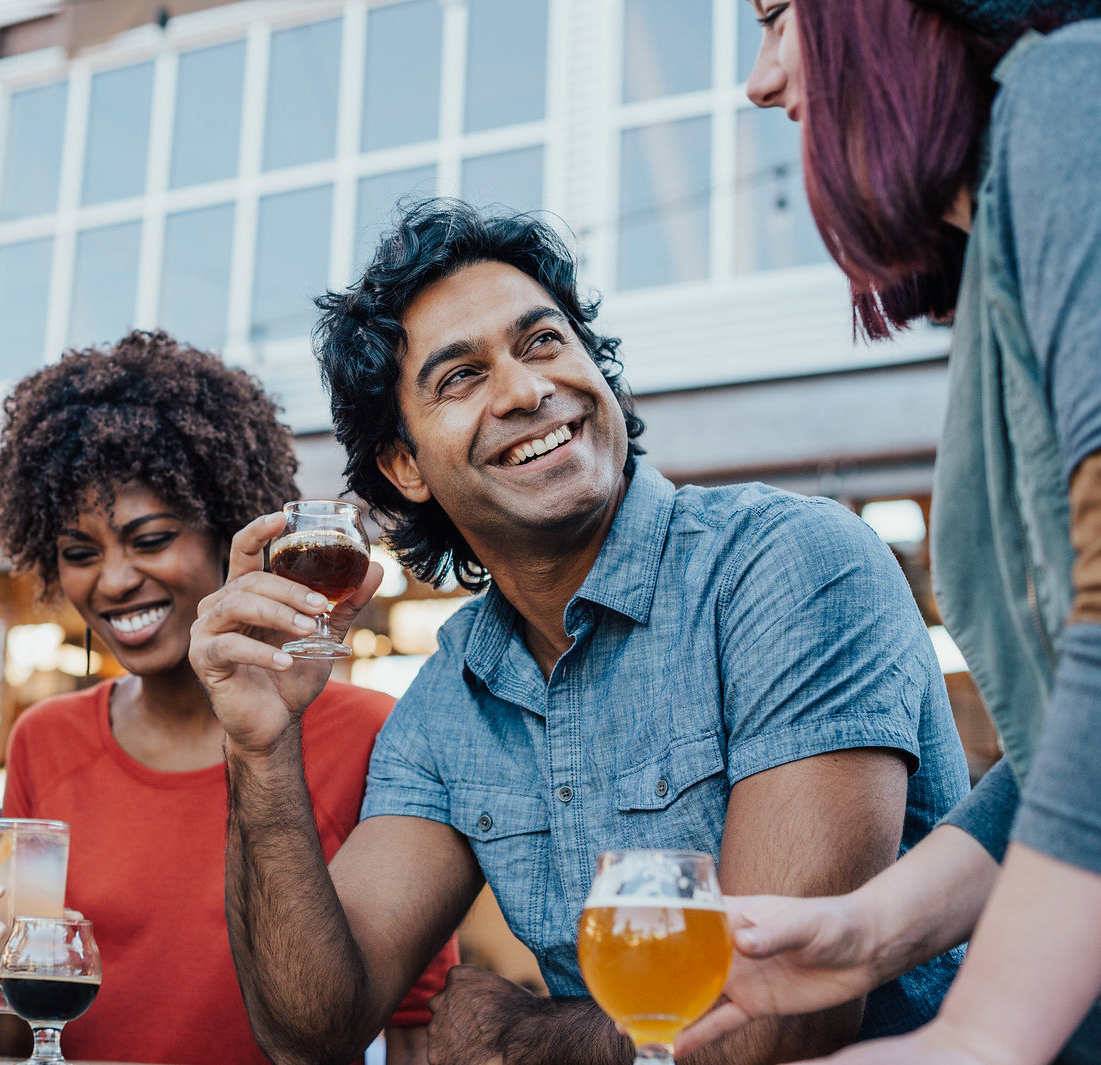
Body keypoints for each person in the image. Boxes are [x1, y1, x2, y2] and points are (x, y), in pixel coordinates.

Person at [187, 198, 973, 1065]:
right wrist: (259, 748)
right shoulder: (452, 697)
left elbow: (784, 1017)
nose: (526, 390)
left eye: (544, 341)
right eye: (460, 377)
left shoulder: (789, 565)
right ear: (404, 466)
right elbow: (313, 1028)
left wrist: (531, 1039)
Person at [672, 3, 1101, 1064]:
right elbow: (1065, 750)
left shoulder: (1070, 102)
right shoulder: (1004, 230)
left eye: (778, 17)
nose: (759, 81)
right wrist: (870, 930)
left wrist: (985, 1030)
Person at [0, 330, 457, 1065]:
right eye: (80, 553)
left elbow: (412, 1031)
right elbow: (14, 1042)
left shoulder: (369, 734)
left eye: (149, 538)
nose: (113, 580)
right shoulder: (45, 739)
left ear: (227, 529)